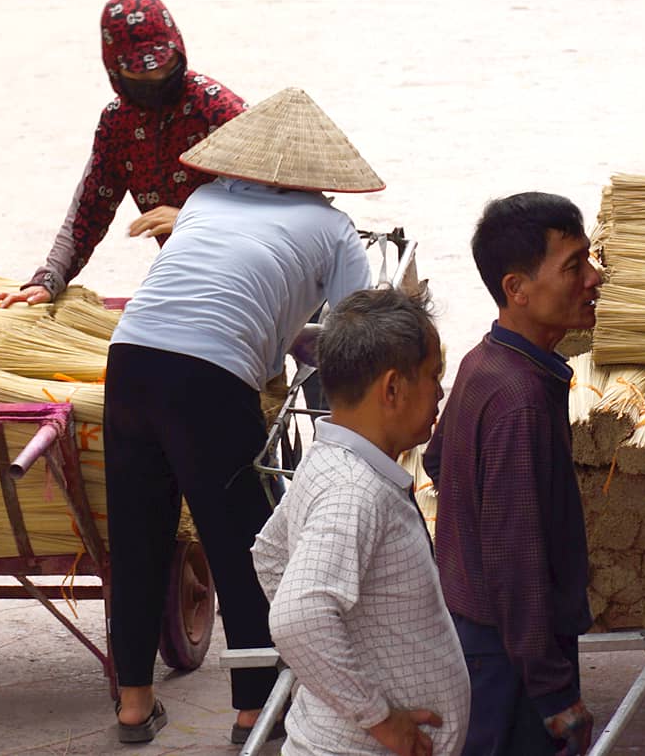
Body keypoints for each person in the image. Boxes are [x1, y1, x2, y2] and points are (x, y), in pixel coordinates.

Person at [102, 87, 381, 744]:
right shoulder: (334, 229)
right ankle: (255, 708)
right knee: (250, 543)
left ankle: (133, 705)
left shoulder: (201, 200)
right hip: (207, 376)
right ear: (322, 176)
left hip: (130, 359)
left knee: (139, 536)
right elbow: (350, 343)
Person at [253, 286, 471, 756]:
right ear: (392, 388)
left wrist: (342, 656)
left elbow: (270, 557)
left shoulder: (328, 460)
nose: (439, 392)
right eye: (434, 376)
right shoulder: (354, 491)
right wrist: (378, 717)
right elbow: (297, 617)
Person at [424, 193, 602, 756]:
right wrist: (553, 693)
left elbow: (436, 458)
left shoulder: (485, 361)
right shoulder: (519, 400)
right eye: (573, 266)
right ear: (516, 289)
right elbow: (515, 561)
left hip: (479, 636)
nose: (593, 279)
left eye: (588, 260)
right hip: (507, 656)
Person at [0, 0, 246, 308]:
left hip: (259, 268)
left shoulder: (216, 108)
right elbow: (89, 209)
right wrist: (49, 279)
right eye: (139, 72)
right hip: (197, 277)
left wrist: (192, 220)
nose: (155, 79)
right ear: (114, 69)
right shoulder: (118, 125)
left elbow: (282, 207)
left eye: (164, 67)